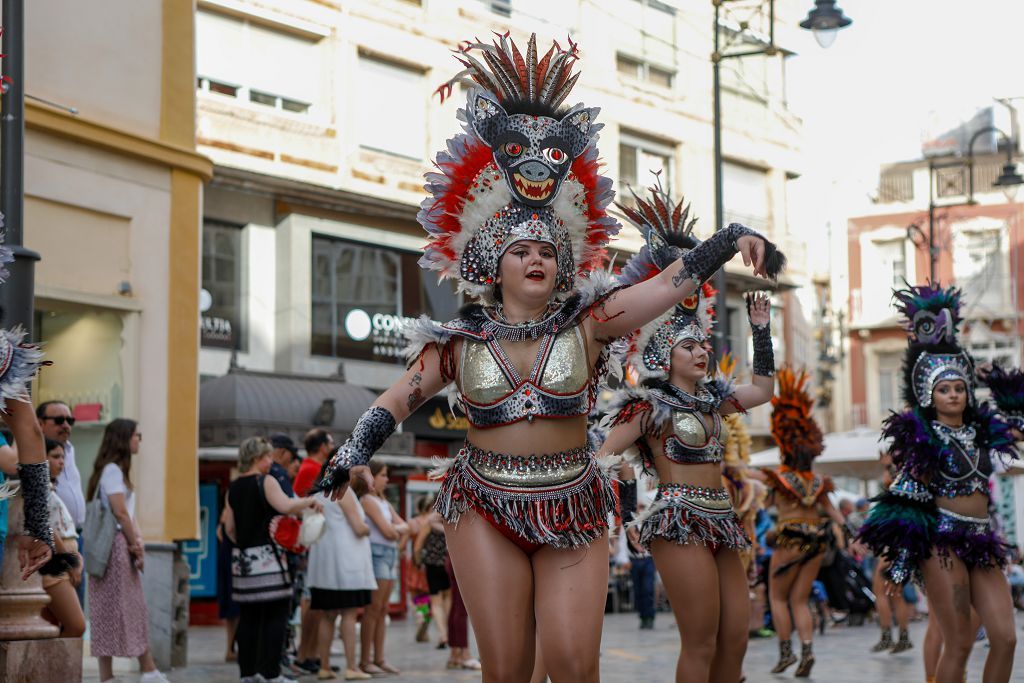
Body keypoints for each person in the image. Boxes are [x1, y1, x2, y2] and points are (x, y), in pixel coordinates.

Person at [310, 32, 783, 682]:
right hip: (482, 502)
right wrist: (351, 454)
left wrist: (729, 239)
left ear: (563, 263)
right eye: (520, 250)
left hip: (571, 499)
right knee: (506, 671)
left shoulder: (590, 323)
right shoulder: (457, 343)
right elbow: (399, 398)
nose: (536, 258)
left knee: (571, 664)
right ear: (491, 263)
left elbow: (665, 286)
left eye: (546, 251)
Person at [598, 183, 780, 683]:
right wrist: (626, 513)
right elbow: (603, 457)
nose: (702, 352)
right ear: (662, 355)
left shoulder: (714, 399)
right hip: (676, 519)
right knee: (700, 639)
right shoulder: (646, 407)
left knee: (736, 638)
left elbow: (763, 389)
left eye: (703, 343)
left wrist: (760, 330)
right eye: (689, 347)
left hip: (722, 517)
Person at [857, 283, 1021, 683]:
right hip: (941, 543)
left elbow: (1017, 430)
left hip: (982, 540)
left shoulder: (984, 432)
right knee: (960, 641)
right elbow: (905, 497)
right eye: (944, 389)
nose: (953, 395)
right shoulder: (922, 439)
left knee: (1005, 637)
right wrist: (900, 558)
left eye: (959, 388)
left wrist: (1012, 399)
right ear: (929, 395)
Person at [758, 368, 847, 677]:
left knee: (778, 597)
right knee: (800, 599)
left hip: (789, 538)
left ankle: (786, 654)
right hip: (817, 541)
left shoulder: (778, 478)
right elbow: (834, 513)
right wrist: (848, 528)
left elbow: (762, 506)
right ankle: (807, 648)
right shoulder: (820, 482)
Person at [222, 436, 322, 683]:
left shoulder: (233, 487)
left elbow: (229, 528)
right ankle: (271, 673)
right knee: (276, 615)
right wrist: (309, 501)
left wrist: (243, 546)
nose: (270, 461)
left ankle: (248, 673)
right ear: (257, 459)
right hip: (267, 561)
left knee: (249, 618)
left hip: (242, 562)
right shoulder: (264, 481)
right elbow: (286, 506)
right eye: (267, 457)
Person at [85, 418, 170, 683]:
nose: (139, 440)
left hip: (112, 548)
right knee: (128, 608)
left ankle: (110, 675)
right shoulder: (112, 471)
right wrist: (135, 546)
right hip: (117, 548)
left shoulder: (109, 470)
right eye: (136, 436)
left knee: (112, 608)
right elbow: (121, 512)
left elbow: (125, 514)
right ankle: (148, 670)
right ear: (124, 439)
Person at [307, 483, 375, 681]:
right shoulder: (343, 491)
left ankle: (325, 666)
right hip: (345, 566)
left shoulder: (319, 493)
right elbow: (358, 527)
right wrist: (369, 528)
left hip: (323, 567)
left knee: (327, 615)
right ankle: (352, 667)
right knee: (349, 614)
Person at [355, 462, 408, 676]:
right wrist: (398, 531)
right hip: (377, 554)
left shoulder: (383, 501)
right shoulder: (367, 500)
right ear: (372, 478)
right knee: (373, 610)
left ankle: (379, 658)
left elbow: (404, 526)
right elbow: (390, 531)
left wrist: (396, 530)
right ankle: (365, 660)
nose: (386, 479)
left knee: (382, 610)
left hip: (388, 554)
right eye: (383, 475)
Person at [292, 428, 335, 673]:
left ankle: (310, 652)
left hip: (312, 539)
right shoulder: (310, 469)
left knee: (314, 600)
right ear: (321, 446)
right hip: (310, 540)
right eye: (329, 442)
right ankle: (305, 653)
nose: (332, 445)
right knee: (311, 600)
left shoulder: (310, 467)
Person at [37, 399, 86, 600]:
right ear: (40, 424)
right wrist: (66, 556)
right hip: (52, 545)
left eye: (69, 420)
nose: (66, 425)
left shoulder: (69, 451)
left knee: (77, 603)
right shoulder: (35, 456)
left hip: (75, 537)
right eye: (59, 420)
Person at [42, 438, 85, 637]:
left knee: (52, 627)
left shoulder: (49, 487)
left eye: (63, 457)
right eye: (55, 456)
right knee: (76, 625)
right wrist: (68, 561)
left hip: (62, 561)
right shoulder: (39, 487)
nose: (61, 462)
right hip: (55, 564)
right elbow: (47, 528)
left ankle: (51, 668)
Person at [414, 509, 450, 649]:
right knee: (447, 599)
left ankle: (443, 634)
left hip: (432, 565)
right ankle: (447, 632)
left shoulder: (430, 523)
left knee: (436, 603)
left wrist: (417, 562)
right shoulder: (449, 522)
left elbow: (418, 545)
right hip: (447, 564)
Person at [269, 433, 299, 497]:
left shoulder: (264, 470)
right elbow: (291, 501)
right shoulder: (279, 473)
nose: (291, 459)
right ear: (282, 452)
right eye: (292, 455)